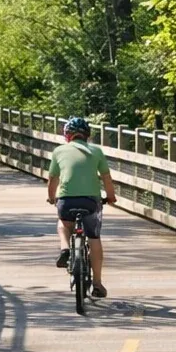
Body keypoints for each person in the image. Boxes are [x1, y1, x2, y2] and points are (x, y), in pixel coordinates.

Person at [46, 116, 117, 298]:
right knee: (93, 237)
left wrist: (51, 197)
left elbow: (53, 178)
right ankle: (98, 284)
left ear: (67, 136)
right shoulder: (96, 151)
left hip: (67, 200)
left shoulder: (59, 151)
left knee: (63, 224)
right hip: (91, 201)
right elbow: (106, 178)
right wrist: (111, 197)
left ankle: (65, 249)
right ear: (87, 136)